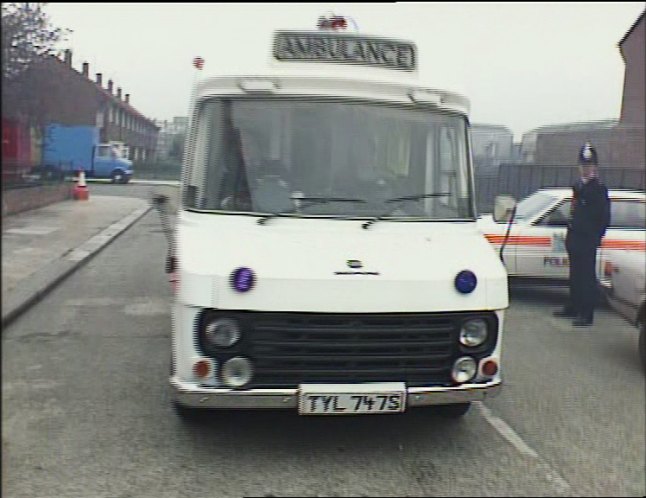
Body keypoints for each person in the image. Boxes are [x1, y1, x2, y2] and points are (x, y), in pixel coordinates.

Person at [553, 142, 610, 326]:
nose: (586, 169)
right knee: (575, 275)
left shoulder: (598, 189)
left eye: (590, 166)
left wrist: (596, 238)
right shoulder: (577, 186)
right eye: (583, 166)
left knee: (586, 277)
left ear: (595, 167)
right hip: (575, 237)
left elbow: (604, 217)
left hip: (587, 240)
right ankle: (574, 306)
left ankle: (586, 314)